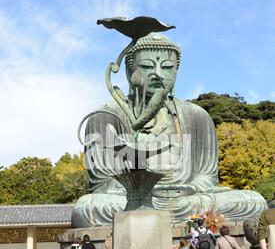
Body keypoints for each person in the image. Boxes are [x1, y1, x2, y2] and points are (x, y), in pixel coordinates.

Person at [71, 32, 267, 228]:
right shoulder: (105, 116)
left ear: (176, 71)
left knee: (254, 201)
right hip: (128, 198)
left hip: (185, 198)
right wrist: (138, 190)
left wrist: (191, 188)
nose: (157, 73)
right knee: (87, 207)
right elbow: (102, 184)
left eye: (167, 67)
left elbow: (207, 176)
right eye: (147, 66)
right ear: (130, 72)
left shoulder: (196, 116)